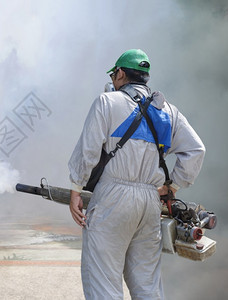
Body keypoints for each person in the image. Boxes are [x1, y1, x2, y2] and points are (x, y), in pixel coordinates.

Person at [67, 49, 205, 299]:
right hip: (150, 202)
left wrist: (76, 189)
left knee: (103, 282)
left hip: (112, 198)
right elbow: (196, 150)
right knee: (147, 285)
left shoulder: (106, 102)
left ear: (120, 73)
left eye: (114, 75)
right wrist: (172, 187)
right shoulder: (168, 111)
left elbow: (88, 151)